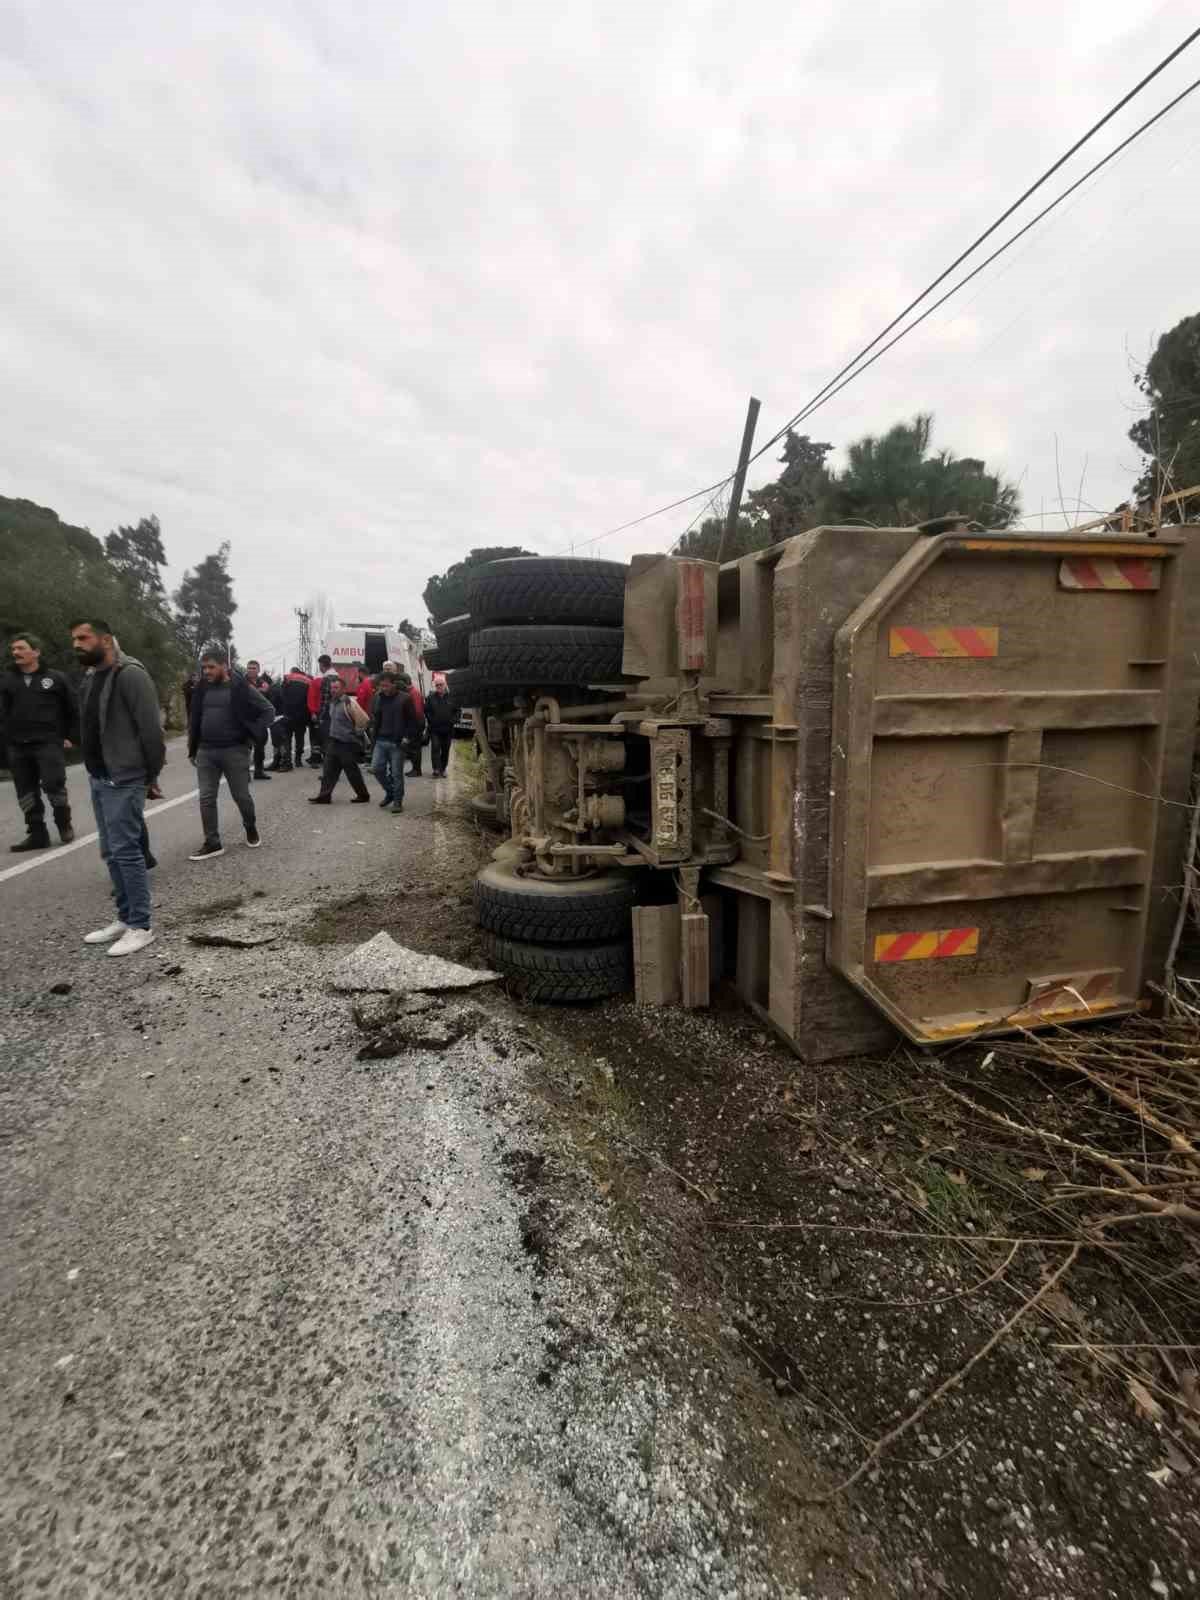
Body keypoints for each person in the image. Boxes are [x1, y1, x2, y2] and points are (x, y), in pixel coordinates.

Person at [70, 617, 165, 957]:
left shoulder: (131, 674)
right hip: (100, 775)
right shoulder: (93, 676)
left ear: (106, 640)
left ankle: (141, 925)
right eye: (74, 639)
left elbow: (151, 731)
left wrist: (150, 776)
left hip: (125, 777)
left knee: (126, 851)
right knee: (111, 851)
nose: (77, 645)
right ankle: (125, 918)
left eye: (83, 638)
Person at [186, 649, 273, 860]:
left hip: (235, 751)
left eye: (211, 667)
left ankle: (250, 827)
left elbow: (268, 710)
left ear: (224, 666)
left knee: (241, 796)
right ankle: (212, 842)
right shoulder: (201, 688)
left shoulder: (241, 687)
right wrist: (193, 748)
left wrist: (252, 733)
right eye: (204, 667)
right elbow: (195, 718)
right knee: (206, 798)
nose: (206, 671)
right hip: (206, 751)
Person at [1, 632, 78, 851]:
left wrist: (70, 736)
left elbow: (73, 709)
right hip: (17, 745)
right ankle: (37, 834)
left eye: (21, 648)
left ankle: (64, 824)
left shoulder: (56, 678)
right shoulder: (6, 680)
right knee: (25, 791)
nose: (15, 652)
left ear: (36, 652)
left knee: (54, 784)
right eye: (13, 649)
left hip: (48, 742)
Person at [308, 678, 371, 804]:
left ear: (343, 689)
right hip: (333, 741)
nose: (333, 690)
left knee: (352, 771)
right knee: (328, 770)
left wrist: (355, 734)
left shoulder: (349, 703)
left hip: (347, 744)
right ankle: (324, 796)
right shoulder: (332, 703)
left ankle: (363, 795)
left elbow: (364, 720)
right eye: (332, 688)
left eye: (336, 688)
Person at [369, 673, 420, 813]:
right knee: (376, 769)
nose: (383, 688)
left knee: (397, 774)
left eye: (386, 685)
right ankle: (390, 792)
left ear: (394, 684)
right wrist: (373, 736)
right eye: (381, 686)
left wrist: (407, 738)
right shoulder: (379, 698)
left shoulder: (405, 699)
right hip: (381, 740)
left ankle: (397, 801)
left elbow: (412, 721)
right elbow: (376, 718)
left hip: (397, 743)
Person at [243, 659, 274, 780]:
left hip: (260, 720)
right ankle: (244, 773)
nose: (251, 670)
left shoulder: (264, 683)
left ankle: (259, 771)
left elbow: (270, 699)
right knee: (245, 748)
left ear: (258, 670)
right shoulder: (242, 682)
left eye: (253, 668)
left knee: (260, 747)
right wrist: (258, 691)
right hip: (246, 719)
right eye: (249, 668)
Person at [306, 655, 337, 767]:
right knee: (331, 737)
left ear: (321, 665)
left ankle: (318, 759)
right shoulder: (338, 678)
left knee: (319, 737)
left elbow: (315, 698)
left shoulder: (321, 680)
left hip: (322, 713)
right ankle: (328, 760)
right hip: (335, 713)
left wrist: (314, 712)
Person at [278, 665, 312, 768]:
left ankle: (288, 759)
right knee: (300, 738)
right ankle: (298, 760)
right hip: (302, 714)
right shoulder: (308, 680)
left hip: (288, 713)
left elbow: (282, 694)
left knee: (287, 738)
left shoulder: (287, 678)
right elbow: (310, 697)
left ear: (292, 671)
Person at [425, 674, 455, 779]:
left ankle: (443, 769)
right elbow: (427, 711)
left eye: (441, 685)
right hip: (435, 729)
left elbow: (457, 711)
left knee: (445, 750)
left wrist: (453, 721)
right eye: (437, 685)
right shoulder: (430, 697)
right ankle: (436, 769)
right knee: (435, 748)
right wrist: (432, 720)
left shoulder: (452, 697)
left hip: (448, 729)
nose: (439, 687)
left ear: (445, 685)